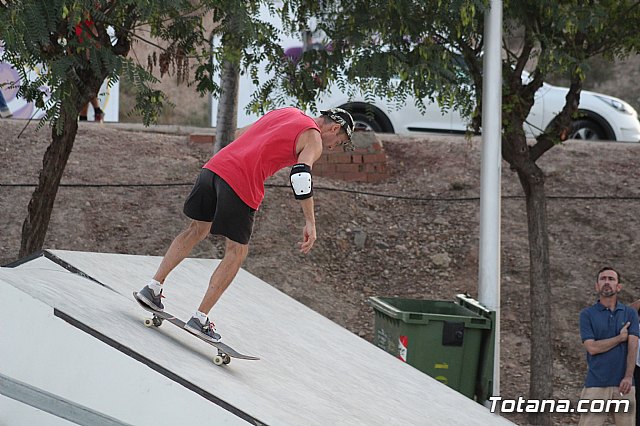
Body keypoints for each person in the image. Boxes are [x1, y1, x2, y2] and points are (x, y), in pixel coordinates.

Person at [135, 107, 355, 342]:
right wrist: (310, 222)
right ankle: (199, 319)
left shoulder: (288, 111)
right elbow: (301, 175)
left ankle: (153, 287)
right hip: (241, 181)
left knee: (196, 229)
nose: (332, 147)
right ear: (334, 128)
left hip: (214, 168)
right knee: (237, 251)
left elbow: (242, 133)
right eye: (338, 141)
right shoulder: (314, 138)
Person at [579, 266, 639, 426]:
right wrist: (620, 338)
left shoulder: (630, 313)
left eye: (611, 279)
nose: (607, 282)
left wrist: (628, 376)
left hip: (624, 386)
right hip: (595, 384)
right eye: (603, 279)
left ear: (618, 286)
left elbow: (633, 346)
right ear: (597, 286)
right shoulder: (587, 315)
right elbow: (592, 348)